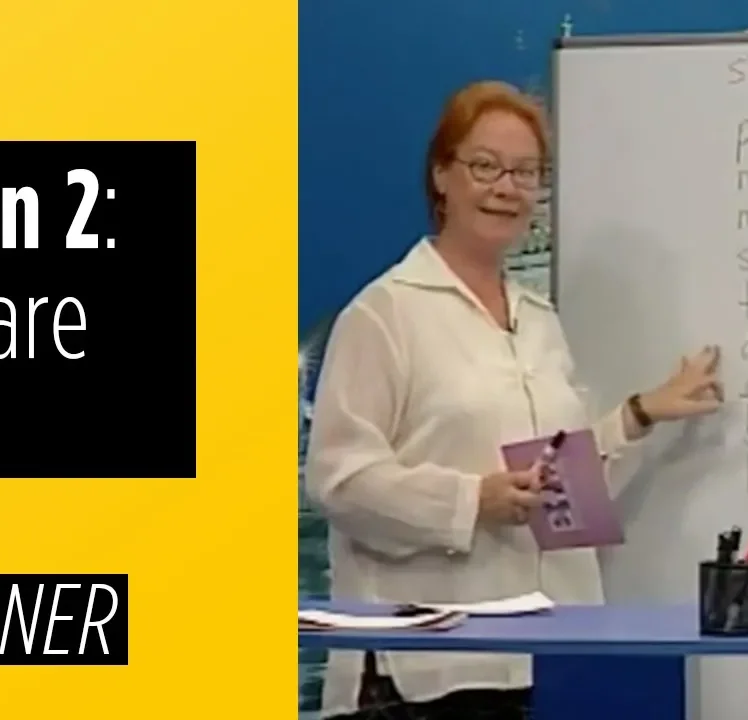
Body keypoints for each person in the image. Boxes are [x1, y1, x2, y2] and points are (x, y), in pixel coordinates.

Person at [302, 80, 724, 720]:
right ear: (441, 176)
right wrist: (473, 500)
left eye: (526, 172)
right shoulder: (386, 313)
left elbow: (559, 487)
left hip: (549, 656)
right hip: (430, 673)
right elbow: (339, 479)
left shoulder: (539, 320)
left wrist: (637, 416)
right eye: (485, 166)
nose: (507, 187)